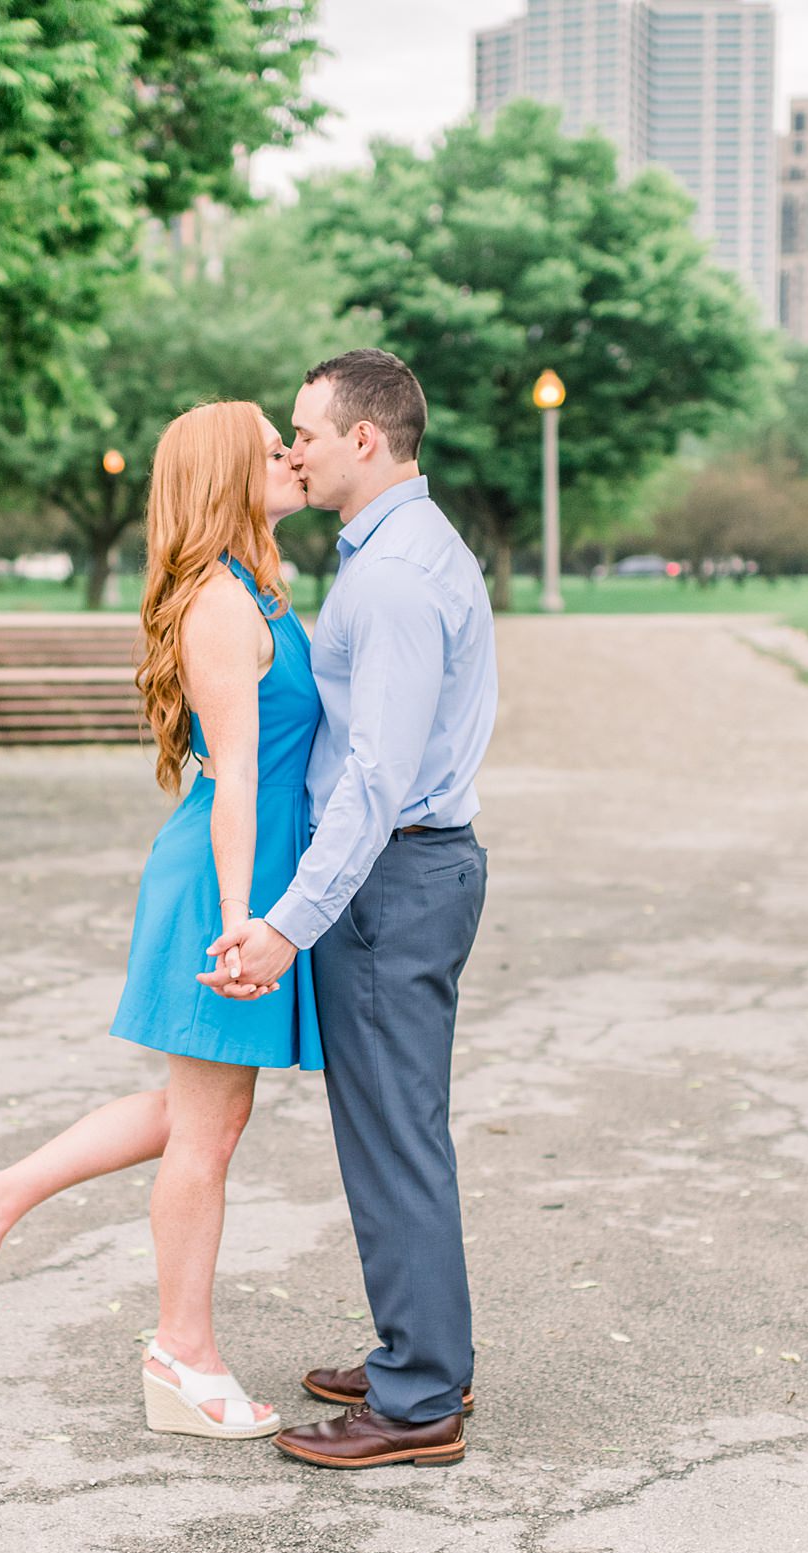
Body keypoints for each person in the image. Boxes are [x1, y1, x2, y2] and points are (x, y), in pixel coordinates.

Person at [0, 400, 321, 1441]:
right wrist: (238, 919)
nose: (294, 457)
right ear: (231, 473)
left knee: (201, 1115)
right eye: (275, 447)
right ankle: (183, 1355)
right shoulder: (224, 605)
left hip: (246, 877)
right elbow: (232, 781)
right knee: (208, 1132)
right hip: (225, 883)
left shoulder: (254, 587)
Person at [205, 349, 498, 1470]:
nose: (292, 452)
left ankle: (419, 1397)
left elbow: (375, 777)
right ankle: (424, 1355)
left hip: (395, 881)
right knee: (394, 1126)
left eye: (306, 434)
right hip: (415, 869)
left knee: (393, 1132)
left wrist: (286, 924)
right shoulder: (405, 549)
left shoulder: (392, 579)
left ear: (363, 441)